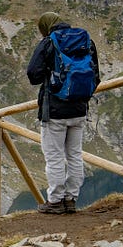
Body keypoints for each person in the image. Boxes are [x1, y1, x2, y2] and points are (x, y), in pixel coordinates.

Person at [26, 12, 100, 214]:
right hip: (79, 109)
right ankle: (71, 199)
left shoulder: (49, 42)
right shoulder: (85, 40)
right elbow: (96, 76)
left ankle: (55, 201)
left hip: (55, 112)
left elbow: (33, 74)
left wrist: (50, 78)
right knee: (75, 155)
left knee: (55, 158)